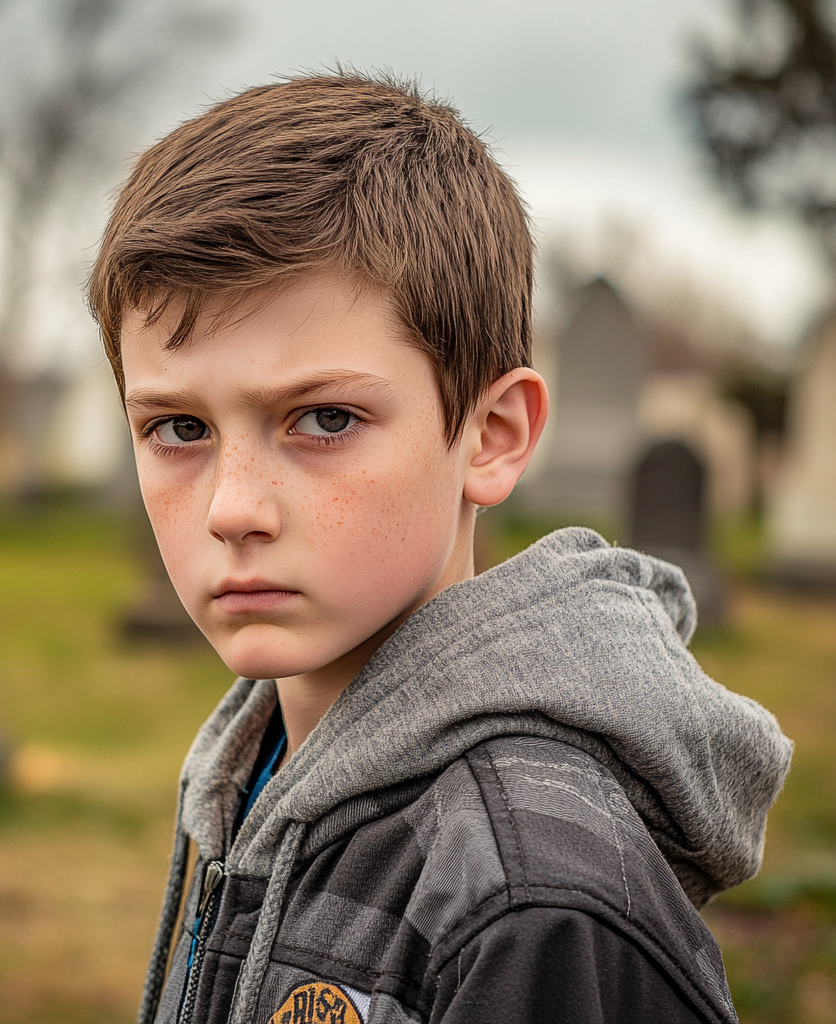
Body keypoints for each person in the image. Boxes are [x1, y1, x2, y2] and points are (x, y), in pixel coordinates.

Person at [87, 73, 792, 1024]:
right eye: (177, 428)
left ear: (493, 433)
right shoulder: (246, 774)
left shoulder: (532, 902)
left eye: (324, 418)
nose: (232, 509)